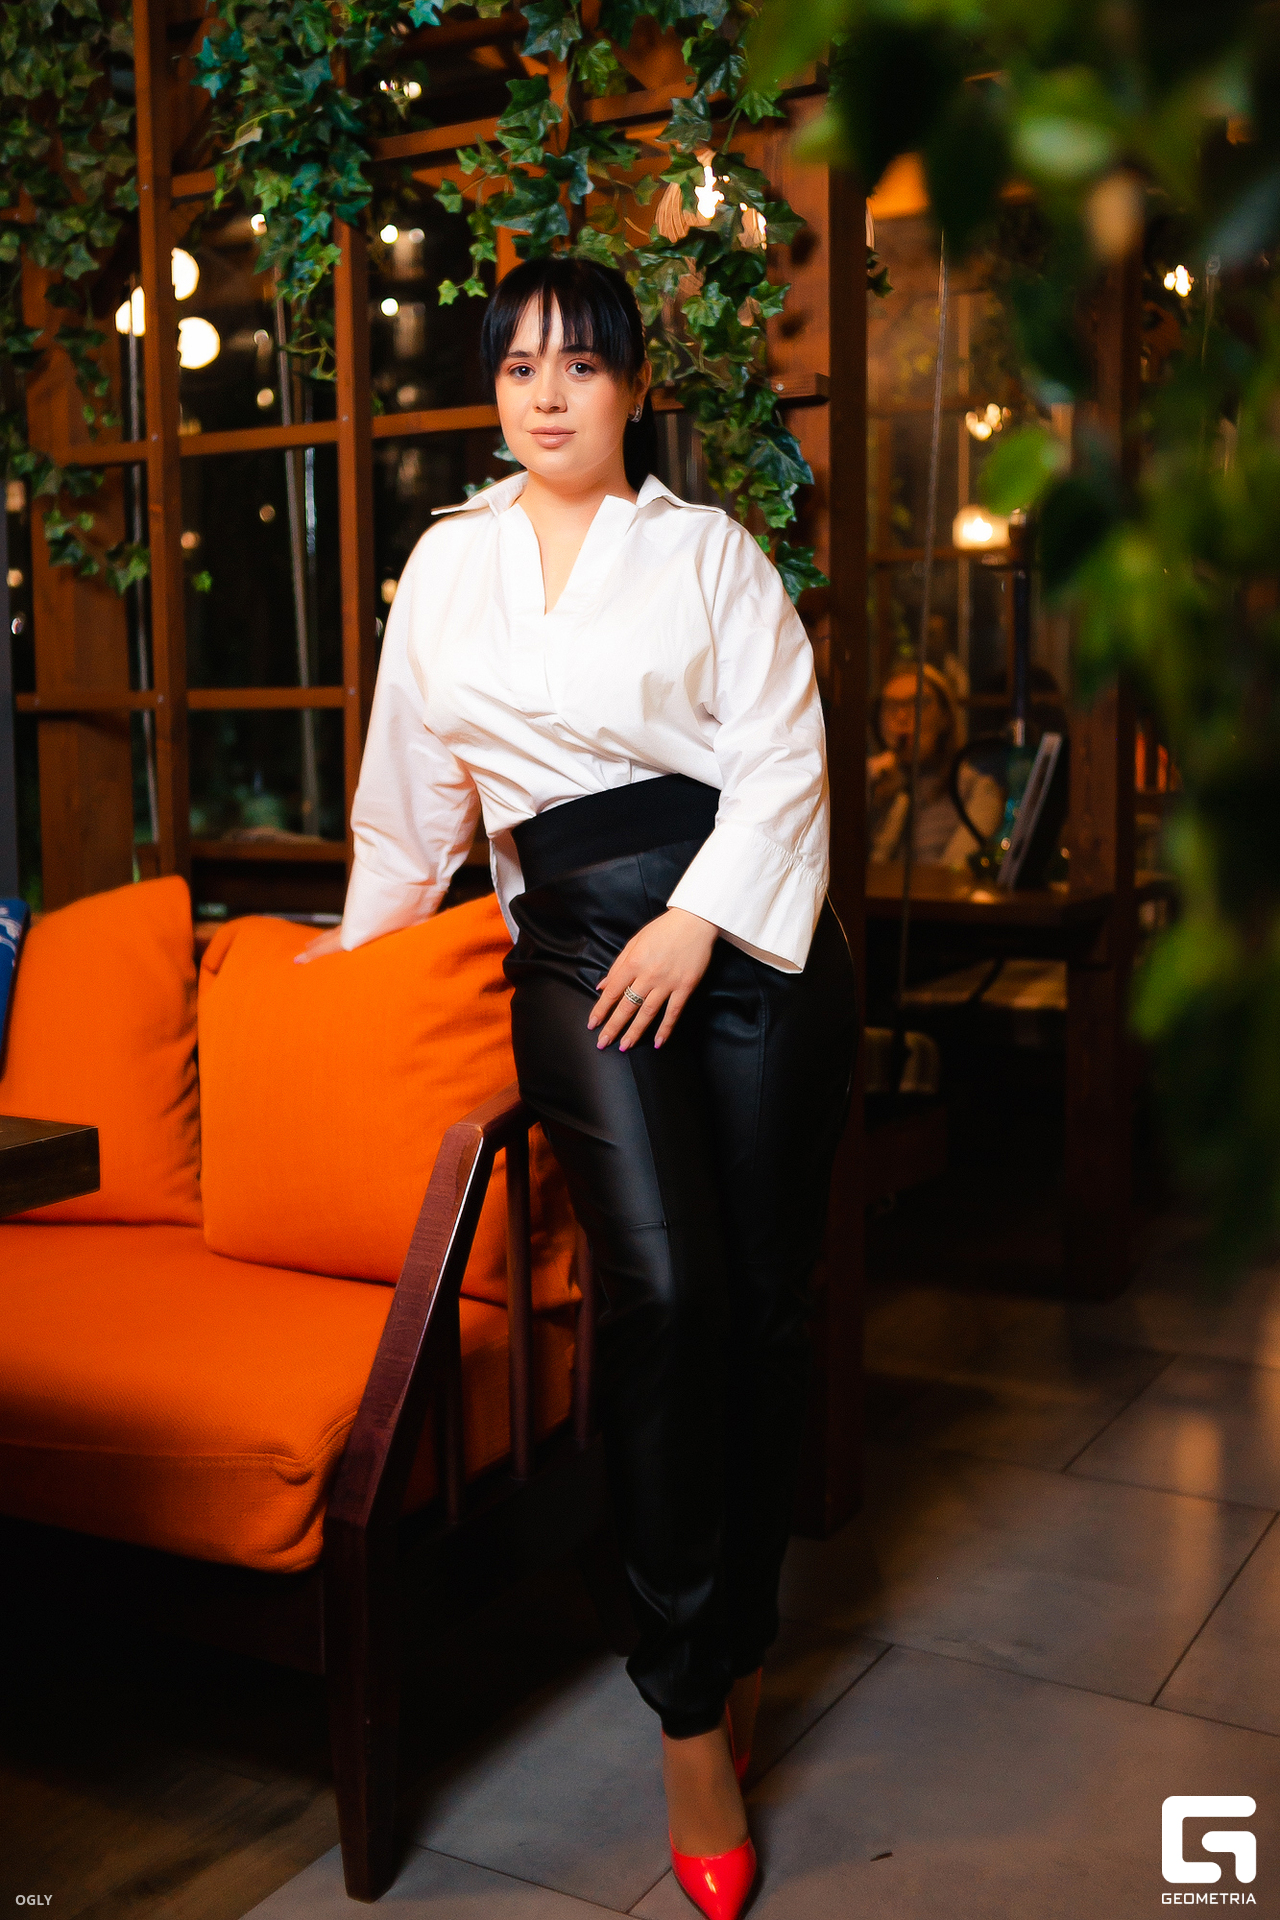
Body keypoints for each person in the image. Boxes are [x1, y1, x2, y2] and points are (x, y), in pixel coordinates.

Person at [299, 256, 857, 1920]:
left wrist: (700, 921)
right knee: (666, 1295)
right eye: (519, 365)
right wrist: (354, 961)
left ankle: (739, 1641)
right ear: (494, 390)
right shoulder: (446, 564)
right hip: (572, 950)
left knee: (761, 1311)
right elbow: (412, 798)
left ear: (633, 389)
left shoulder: (708, 552)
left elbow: (785, 755)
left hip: (750, 945)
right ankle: (687, 1712)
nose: (548, 393)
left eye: (583, 364)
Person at [868, 661, 1003, 867]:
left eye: (918, 704)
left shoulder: (976, 788)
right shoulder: (871, 783)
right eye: (890, 706)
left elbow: (953, 872)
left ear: (945, 716)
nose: (902, 716)